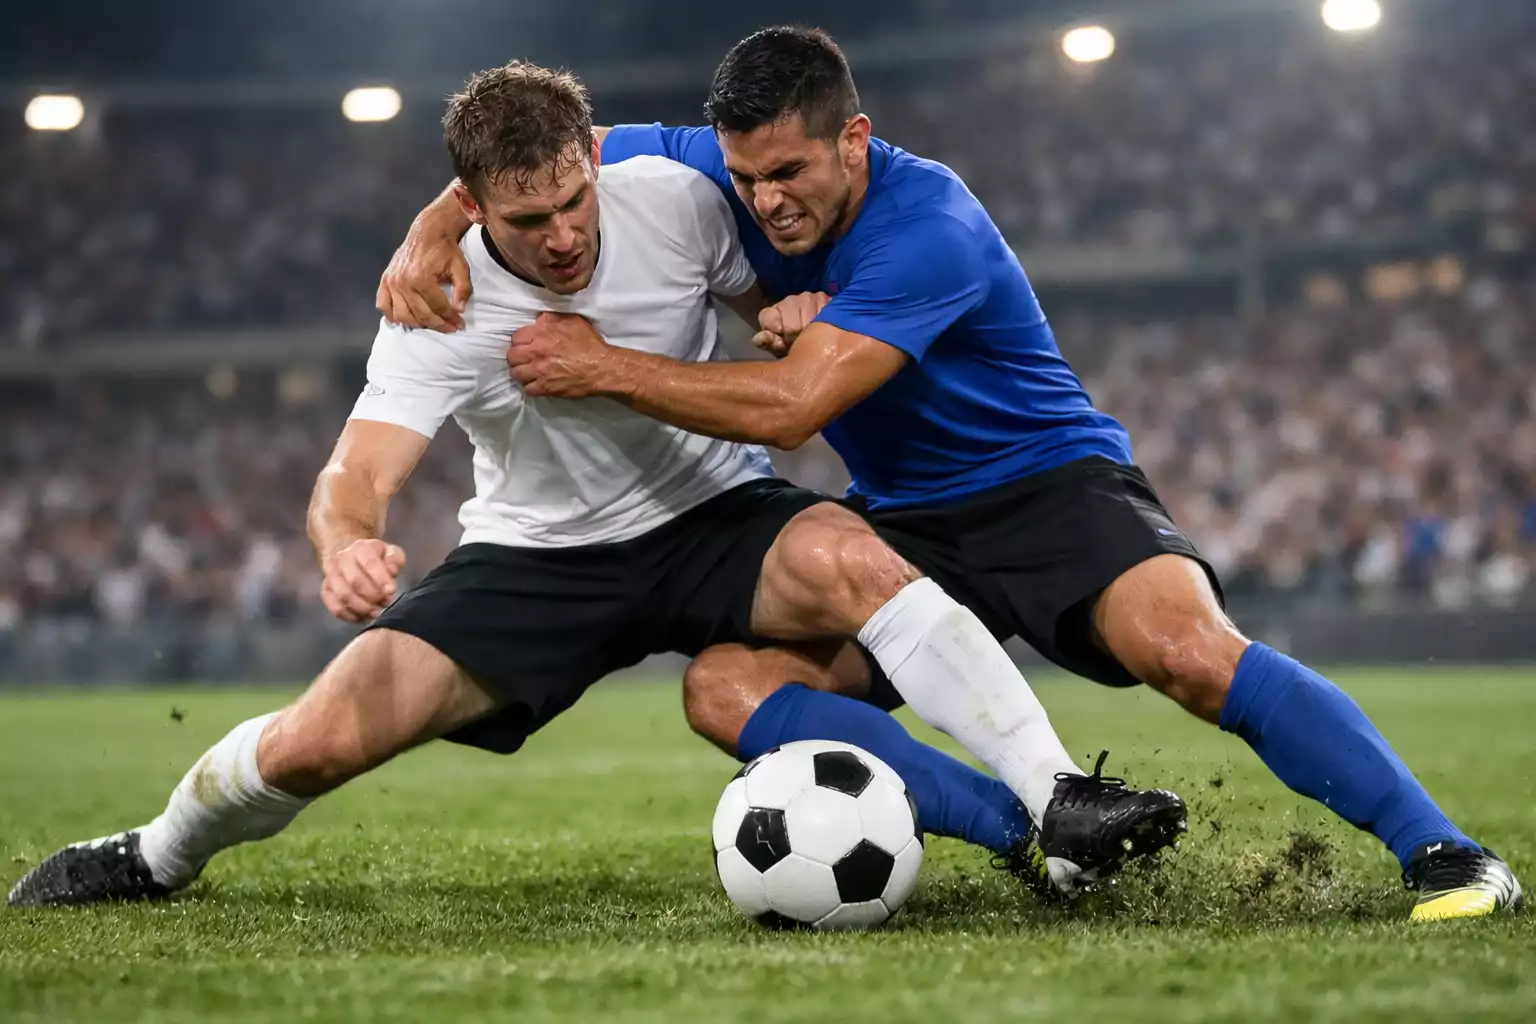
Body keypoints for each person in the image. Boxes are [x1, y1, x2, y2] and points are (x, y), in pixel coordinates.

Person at [376, 29, 1522, 922]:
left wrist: (601, 365)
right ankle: (1038, 833)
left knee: (1189, 655)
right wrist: (432, 231)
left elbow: (792, 409)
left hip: (1048, 487)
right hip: (907, 525)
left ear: (853, 139)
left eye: (787, 173)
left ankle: (1449, 852)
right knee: (721, 688)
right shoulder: (706, 164)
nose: (765, 200)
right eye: (745, 175)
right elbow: (555, 152)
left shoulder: (930, 222)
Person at [8, 60, 1184, 910]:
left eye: (576, 197)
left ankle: (1051, 799)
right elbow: (352, 473)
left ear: (592, 160)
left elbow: (782, 266)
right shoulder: (442, 304)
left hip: (713, 508)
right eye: (532, 218)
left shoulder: (668, 200)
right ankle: (153, 855)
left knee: (850, 558)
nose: (568, 233)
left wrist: (787, 313)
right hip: (537, 554)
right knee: (321, 740)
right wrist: (345, 542)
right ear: (473, 210)